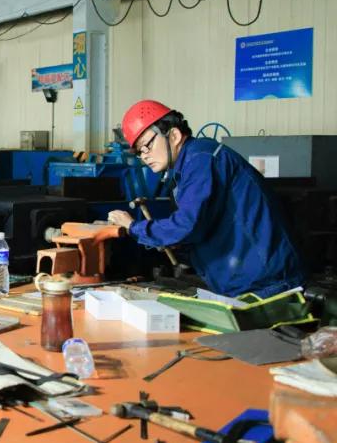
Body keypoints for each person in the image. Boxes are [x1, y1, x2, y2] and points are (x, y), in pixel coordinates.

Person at [108, 100, 304, 298]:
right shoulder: (190, 164)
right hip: (248, 280)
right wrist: (180, 243)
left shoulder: (201, 159)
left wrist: (133, 227)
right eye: (139, 152)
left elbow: (186, 225)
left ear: (174, 135)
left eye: (146, 146)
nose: (144, 156)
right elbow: (202, 226)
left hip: (267, 285)